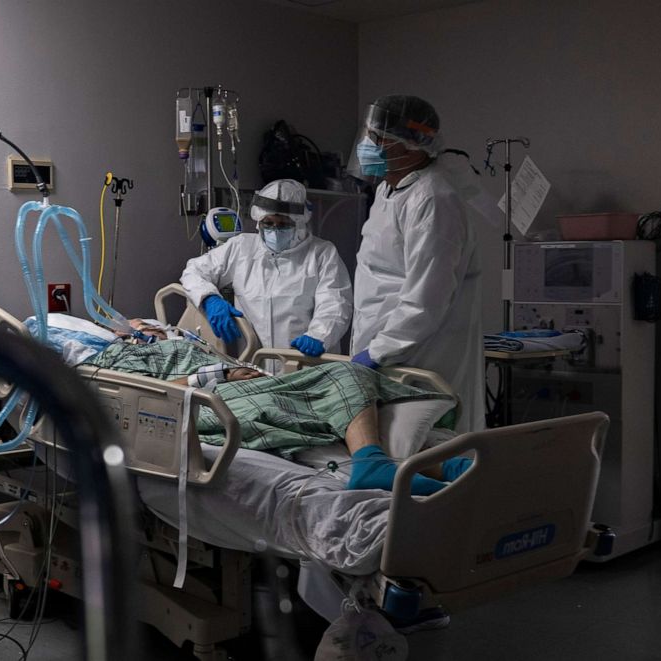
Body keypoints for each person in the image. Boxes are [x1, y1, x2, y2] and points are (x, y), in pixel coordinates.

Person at [84, 336, 470, 495]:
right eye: (137, 327)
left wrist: (225, 366)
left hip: (240, 383)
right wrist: (219, 373)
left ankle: (427, 468)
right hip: (199, 401)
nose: (143, 327)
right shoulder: (114, 357)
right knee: (345, 375)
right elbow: (141, 396)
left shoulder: (184, 340)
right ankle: (376, 465)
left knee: (333, 394)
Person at [350, 95, 485, 433]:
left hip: (419, 351)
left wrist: (379, 352)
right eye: (368, 134)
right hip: (383, 342)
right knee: (383, 441)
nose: (367, 145)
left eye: (377, 139)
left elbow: (427, 298)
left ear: (411, 146)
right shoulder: (388, 190)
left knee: (423, 444)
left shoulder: (434, 199)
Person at [180, 179, 352, 365]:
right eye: (268, 223)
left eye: (283, 223)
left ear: (299, 223)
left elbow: (336, 302)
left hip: (305, 362)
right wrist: (209, 299)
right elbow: (194, 271)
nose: (274, 229)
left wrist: (319, 335)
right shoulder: (242, 247)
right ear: (258, 221)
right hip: (254, 364)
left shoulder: (322, 253)